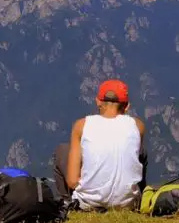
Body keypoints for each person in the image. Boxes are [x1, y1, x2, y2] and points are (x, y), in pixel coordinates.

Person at [53, 79, 147, 210]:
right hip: (127, 205)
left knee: (62, 150)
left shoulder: (81, 125)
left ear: (98, 101)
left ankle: (66, 203)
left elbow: (72, 181)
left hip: (87, 204)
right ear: (127, 106)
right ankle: (136, 196)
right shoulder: (138, 126)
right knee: (141, 152)